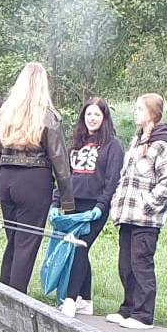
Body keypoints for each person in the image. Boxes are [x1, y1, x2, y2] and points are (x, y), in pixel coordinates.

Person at [0, 62, 75, 293]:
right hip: (34, 182)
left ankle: (2, 293)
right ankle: (16, 300)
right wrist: (68, 201)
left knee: (13, 241)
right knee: (27, 244)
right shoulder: (48, 116)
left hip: (7, 179)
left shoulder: (7, 112)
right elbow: (59, 160)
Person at [105, 93, 167, 330]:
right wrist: (118, 203)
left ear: (152, 113)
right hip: (127, 216)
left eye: (140, 108)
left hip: (146, 219)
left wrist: (147, 205)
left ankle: (143, 314)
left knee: (141, 264)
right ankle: (128, 308)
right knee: (125, 264)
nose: (135, 112)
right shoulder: (137, 142)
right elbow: (125, 178)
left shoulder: (164, 146)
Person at [61, 97, 124, 317]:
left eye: (97, 114)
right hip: (73, 204)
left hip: (95, 206)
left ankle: (69, 298)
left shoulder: (113, 146)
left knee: (80, 246)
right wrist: (55, 201)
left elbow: (112, 179)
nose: (92, 118)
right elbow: (65, 175)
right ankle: (85, 300)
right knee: (76, 248)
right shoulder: (75, 143)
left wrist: (101, 205)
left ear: (104, 117)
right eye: (89, 114)